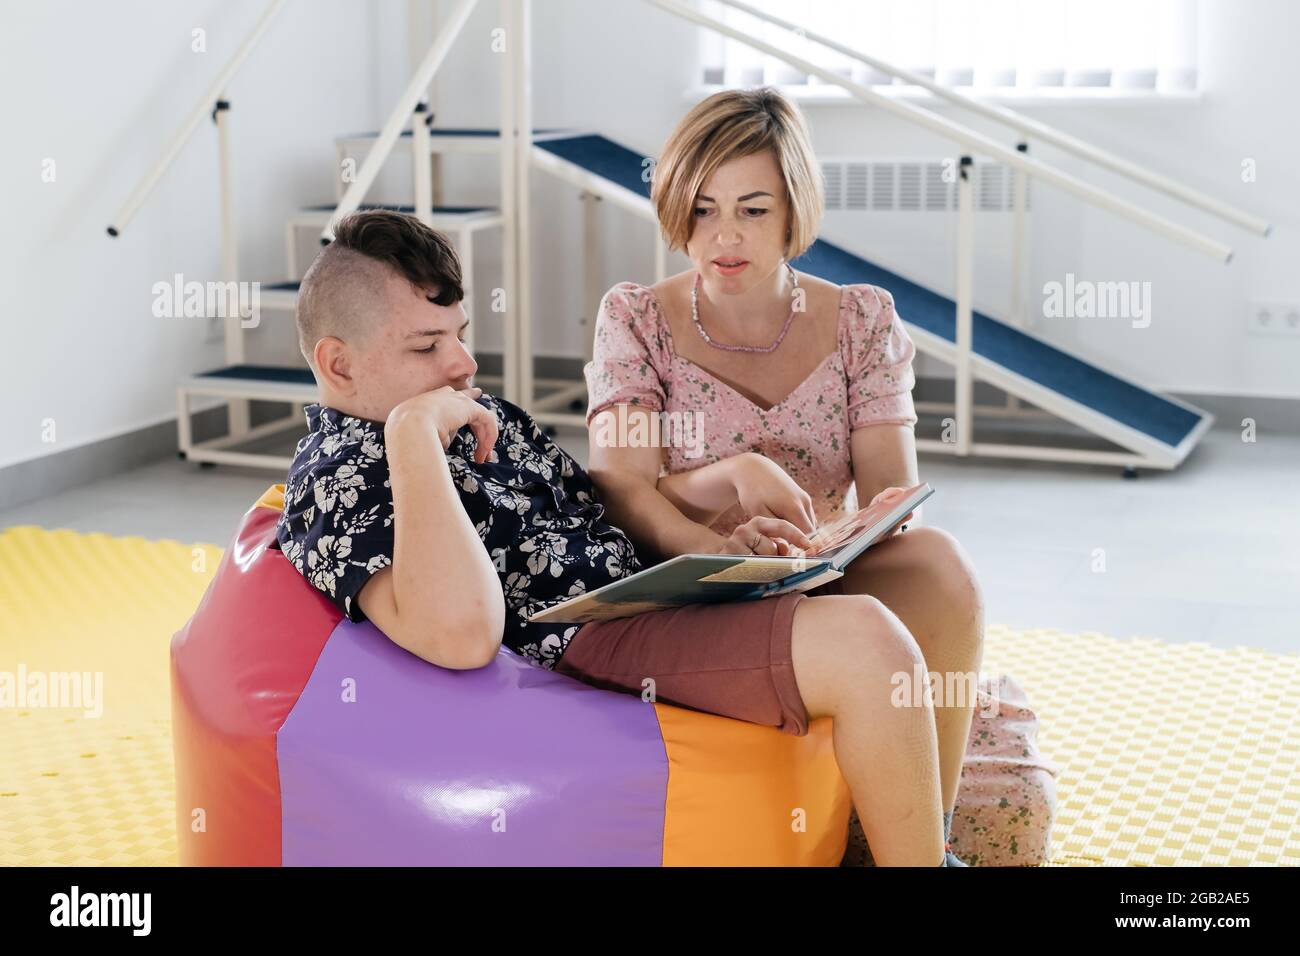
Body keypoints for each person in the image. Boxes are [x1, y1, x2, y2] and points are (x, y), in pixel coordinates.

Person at [275, 208, 969, 865]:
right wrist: (410, 434)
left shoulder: (468, 409)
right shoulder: (340, 476)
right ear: (339, 365)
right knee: (867, 645)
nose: (463, 365)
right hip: (592, 634)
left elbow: (582, 499)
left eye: (459, 334)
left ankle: (917, 841)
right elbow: (459, 633)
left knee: (933, 569)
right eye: (428, 345)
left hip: (649, 583)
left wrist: (718, 489)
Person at [583, 87, 985, 863]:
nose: (723, 235)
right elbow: (620, 488)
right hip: (695, 586)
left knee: (942, 564)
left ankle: (915, 839)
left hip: (819, 570)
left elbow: (891, 501)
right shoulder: (633, 318)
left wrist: (828, 545)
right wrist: (727, 524)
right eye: (701, 210)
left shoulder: (862, 320)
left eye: (753, 210)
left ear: (794, 208)